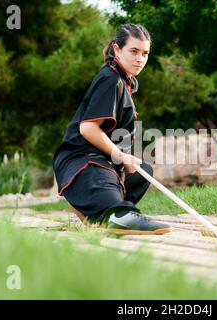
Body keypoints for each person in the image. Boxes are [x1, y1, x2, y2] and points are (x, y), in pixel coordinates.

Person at [52, 24, 171, 235]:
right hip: (82, 161)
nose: (140, 59)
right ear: (117, 50)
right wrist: (119, 155)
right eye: (133, 51)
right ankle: (117, 214)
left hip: (103, 161)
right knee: (118, 212)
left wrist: (124, 158)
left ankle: (99, 216)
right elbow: (88, 128)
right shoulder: (110, 79)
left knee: (143, 171)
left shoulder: (124, 82)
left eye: (145, 53)